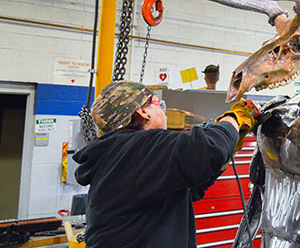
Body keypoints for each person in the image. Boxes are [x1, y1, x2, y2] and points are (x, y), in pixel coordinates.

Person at [73, 81, 258, 248]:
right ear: (143, 111)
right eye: (159, 104)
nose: (163, 111)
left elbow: (189, 189)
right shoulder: (139, 147)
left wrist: (230, 146)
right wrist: (235, 117)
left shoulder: (117, 155)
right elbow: (209, 148)